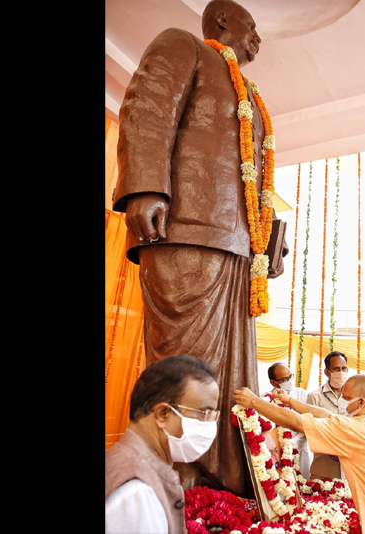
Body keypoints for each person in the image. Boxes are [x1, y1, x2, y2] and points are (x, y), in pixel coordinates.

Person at [111, 0, 287, 497]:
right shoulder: (184, 45)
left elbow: (255, 181)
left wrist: (268, 235)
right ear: (224, 19)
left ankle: (227, 478)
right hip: (184, 230)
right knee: (184, 359)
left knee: (235, 370)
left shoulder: (251, 93)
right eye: (253, 28)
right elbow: (146, 107)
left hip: (237, 249)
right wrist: (146, 187)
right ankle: (173, 473)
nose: (259, 39)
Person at [234, 374, 365, 534]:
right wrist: (290, 401)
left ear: (361, 402)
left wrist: (253, 401)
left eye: (346, 396)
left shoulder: (357, 429)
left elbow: (297, 423)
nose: (341, 400)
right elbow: (327, 416)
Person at [105, 354, 221, 534]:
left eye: (213, 416)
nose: (209, 425)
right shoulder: (137, 494)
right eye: (204, 413)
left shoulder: (123, 461)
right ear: (163, 414)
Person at [304, 351, 349, 480]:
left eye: (344, 368)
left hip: (352, 468)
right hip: (324, 468)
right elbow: (309, 431)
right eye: (336, 369)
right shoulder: (315, 397)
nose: (341, 372)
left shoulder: (355, 396)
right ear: (327, 372)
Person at [267, 362, 312, 479]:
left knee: (303, 487)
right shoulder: (267, 399)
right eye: (284, 379)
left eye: (290, 377)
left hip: (301, 451)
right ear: (273, 382)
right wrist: (283, 449)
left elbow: (307, 423)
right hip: (279, 453)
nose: (289, 381)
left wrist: (292, 447)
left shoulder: (302, 394)